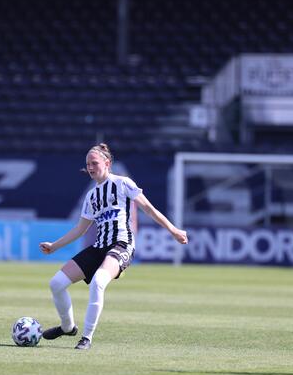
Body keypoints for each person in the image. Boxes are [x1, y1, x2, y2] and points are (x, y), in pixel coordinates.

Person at [39, 143, 188, 350]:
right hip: (99, 247)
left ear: (107, 163)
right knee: (56, 283)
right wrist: (54, 246)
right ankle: (67, 327)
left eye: (94, 163)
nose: (90, 167)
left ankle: (86, 337)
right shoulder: (91, 196)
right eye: (88, 164)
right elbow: (80, 229)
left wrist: (173, 230)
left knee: (98, 281)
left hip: (122, 244)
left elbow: (149, 209)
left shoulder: (122, 183)